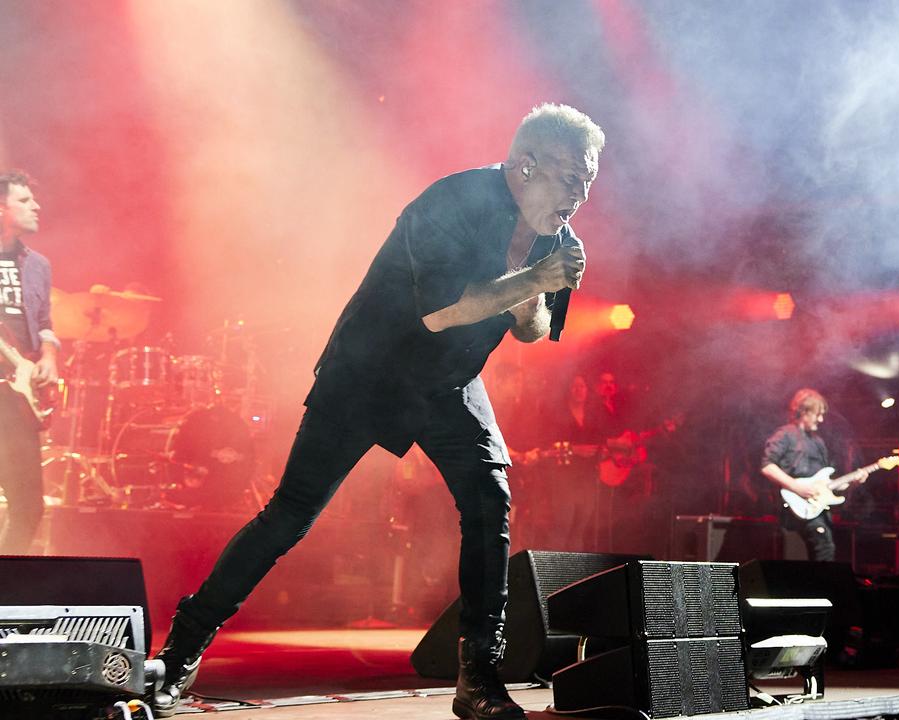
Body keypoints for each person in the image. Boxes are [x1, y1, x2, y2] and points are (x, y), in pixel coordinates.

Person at [149, 103, 604, 720]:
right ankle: (181, 652)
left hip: (447, 383)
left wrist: (539, 288)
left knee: (488, 498)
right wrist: (535, 278)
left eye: (589, 182)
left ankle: (480, 678)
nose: (581, 195)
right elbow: (441, 311)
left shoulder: (557, 238)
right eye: (573, 177)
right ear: (526, 165)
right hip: (370, 373)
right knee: (290, 515)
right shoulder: (452, 201)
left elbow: (531, 330)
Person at [0, 170, 59, 554]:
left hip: (16, 399)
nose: (35, 206)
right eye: (24, 201)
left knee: (29, 507)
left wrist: (50, 357)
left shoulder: (38, 265)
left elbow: (44, 324)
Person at [760, 388, 838, 562]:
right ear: (804, 412)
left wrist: (853, 481)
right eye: (818, 414)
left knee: (824, 548)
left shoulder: (818, 441)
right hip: (792, 504)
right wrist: (796, 487)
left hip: (815, 507)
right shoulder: (785, 434)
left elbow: (826, 480)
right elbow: (767, 466)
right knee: (824, 547)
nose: (821, 419)